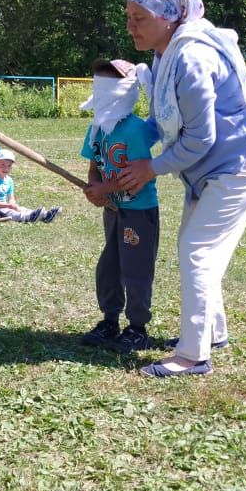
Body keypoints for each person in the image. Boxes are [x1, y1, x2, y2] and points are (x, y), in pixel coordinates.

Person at [116, 0, 246, 377]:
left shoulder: (191, 57)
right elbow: (165, 117)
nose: (132, 27)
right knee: (198, 248)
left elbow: (199, 139)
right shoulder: (166, 53)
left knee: (198, 251)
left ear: (169, 16)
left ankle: (193, 356)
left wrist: (151, 167)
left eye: (140, 19)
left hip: (242, 162)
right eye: (129, 19)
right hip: (212, 166)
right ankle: (213, 334)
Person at [80, 59, 160, 353]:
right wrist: (93, 187)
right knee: (110, 265)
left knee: (135, 269)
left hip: (138, 211)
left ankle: (137, 328)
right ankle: (110, 320)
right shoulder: (98, 128)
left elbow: (136, 175)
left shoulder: (135, 130)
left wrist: (106, 188)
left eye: (108, 86)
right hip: (112, 211)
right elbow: (94, 164)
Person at [0, 149, 61, 223]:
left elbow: (11, 198)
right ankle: (28, 218)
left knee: (22, 209)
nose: (6, 168)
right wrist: (9, 206)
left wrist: (13, 205)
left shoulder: (9, 180)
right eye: (2, 164)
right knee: (11, 213)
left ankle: (46, 215)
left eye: (9, 165)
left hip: (5, 206)